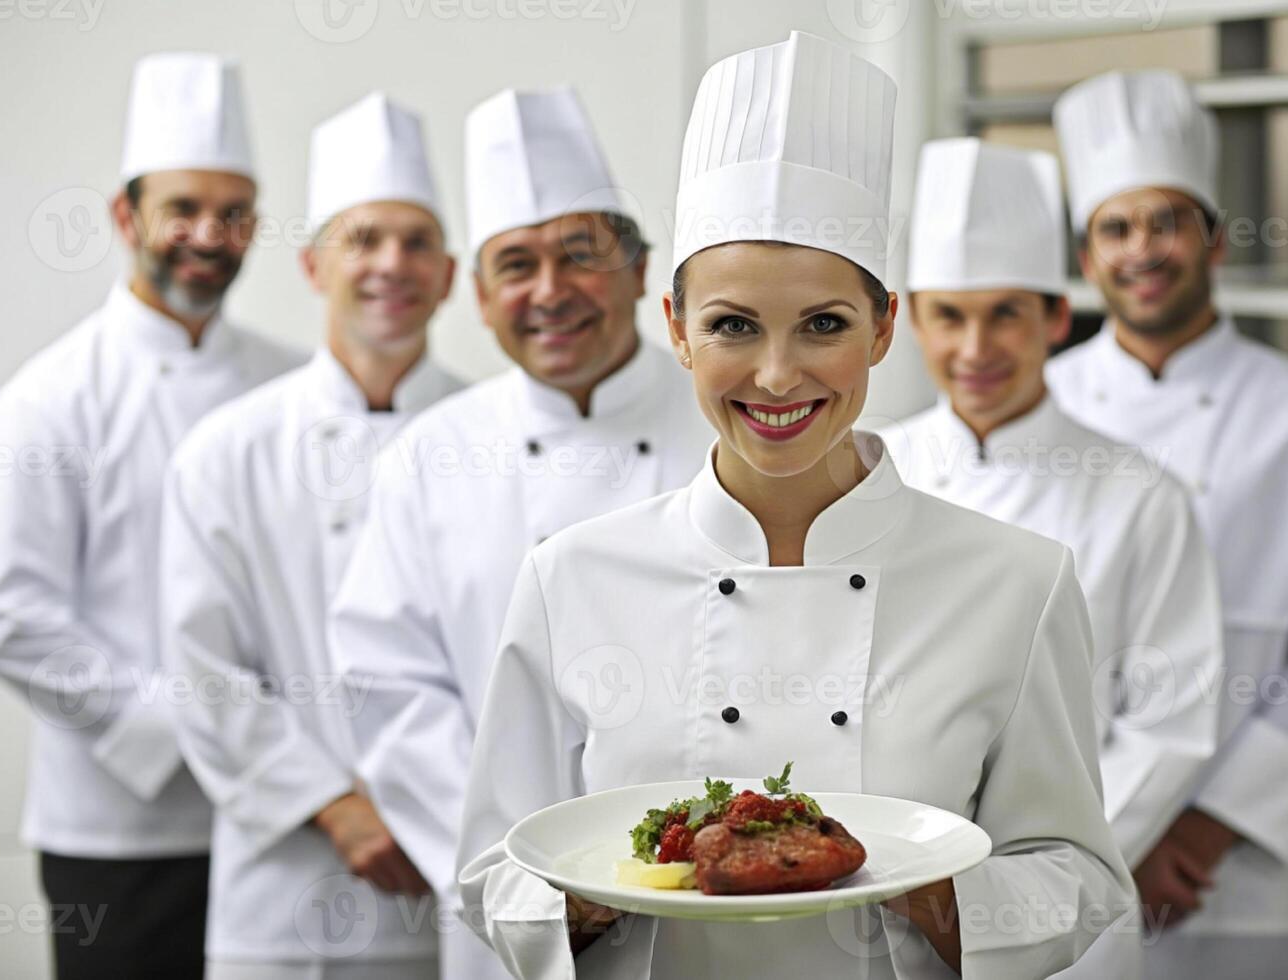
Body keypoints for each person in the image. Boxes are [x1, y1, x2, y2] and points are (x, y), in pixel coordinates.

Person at [455, 31, 1136, 979]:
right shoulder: (571, 575)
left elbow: (1076, 874)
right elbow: (493, 872)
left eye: (824, 324)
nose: (777, 376)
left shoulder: (1016, 581)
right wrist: (622, 882)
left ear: (884, 327)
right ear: (677, 333)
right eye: (733, 325)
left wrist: (921, 886)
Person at [328, 86, 713, 977]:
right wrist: (522, 875)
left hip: (709, 892)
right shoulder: (429, 454)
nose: (550, 292)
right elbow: (387, 686)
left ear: (640, 267)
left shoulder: (725, 419)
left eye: (579, 255)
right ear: (480, 293)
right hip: (512, 908)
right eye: (516, 265)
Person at [1047, 69, 1288, 979]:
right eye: (1114, 227)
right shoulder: (1043, 407)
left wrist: (1198, 830)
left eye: (1167, 220)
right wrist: (1117, 833)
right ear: (1086, 258)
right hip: (1072, 841)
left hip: (1235, 854)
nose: (1141, 248)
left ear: (1215, 240)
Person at [0, 53, 303, 979]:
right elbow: (11, 620)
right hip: (121, 829)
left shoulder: (290, 384)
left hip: (290, 813)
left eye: (233, 213)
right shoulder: (46, 402)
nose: (208, 233)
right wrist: (193, 732)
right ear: (126, 217)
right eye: (183, 208)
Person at [881, 136, 1227, 975]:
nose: (975, 349)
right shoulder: (865, 472)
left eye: (1004, 312)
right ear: (908, 319)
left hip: (1063, 914)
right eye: (949, 316)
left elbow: (1169, 722)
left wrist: (1024, 881)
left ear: (1053, 317)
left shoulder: (1140, 494)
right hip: (882, 894)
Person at [159, 92, 462, 980]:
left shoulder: (486, 437)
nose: (390, 263)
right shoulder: (226, 449)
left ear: (448, 275)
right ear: (312, 265)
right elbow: (200, 667)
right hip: (282, 891)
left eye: (416, 241)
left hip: (454, 882)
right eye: (361, 239)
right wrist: (335, 805)